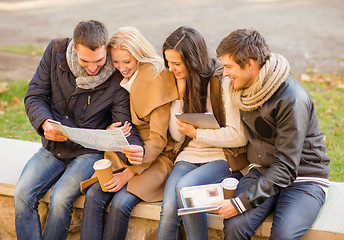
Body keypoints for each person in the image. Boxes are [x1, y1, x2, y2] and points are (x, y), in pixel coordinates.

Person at [14, 20, 143, 240]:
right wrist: (45, 123)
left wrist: (132, 148)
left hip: (88, 153)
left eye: (100, 60)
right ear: (74, 47)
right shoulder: (55, 52)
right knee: (22, 195)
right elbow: (35, 95)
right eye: (85, 61)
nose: (93, 68)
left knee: (61, 198)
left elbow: (124, 126)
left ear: (107, 49)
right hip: (53, 146)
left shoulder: (117, 76)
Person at [215, 29, 330, 240]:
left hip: (303, 176)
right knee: (235, 227)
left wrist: (240, 203)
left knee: (283, 235)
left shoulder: (292, 98)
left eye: (229, 67)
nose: (225, 73)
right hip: (263, 169)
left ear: (250, 64)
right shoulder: (244, 88)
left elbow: (286, 168)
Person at [79, 26, 179, 240]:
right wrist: (110, 131)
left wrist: (128, 173)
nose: (121, 68)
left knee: (121, 204)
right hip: (124, 149)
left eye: (127, 62)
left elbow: (159, 139)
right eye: (116, 62)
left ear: (139, 55)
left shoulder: (156, 78)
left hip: (155, 157)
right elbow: (115, 116)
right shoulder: (117, 77)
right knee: (95, 195)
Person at [156, 26, 248, 240]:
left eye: (177, 64)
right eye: (168, 62)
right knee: (169, 209)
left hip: (221, 157)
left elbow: (238, 136)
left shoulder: (222, 83)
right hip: (188, 158)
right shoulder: (180, 82)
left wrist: (197, 134)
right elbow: (178, 137)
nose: (171, 69)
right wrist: (179, 97)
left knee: (185, 188)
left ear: (193, 60)